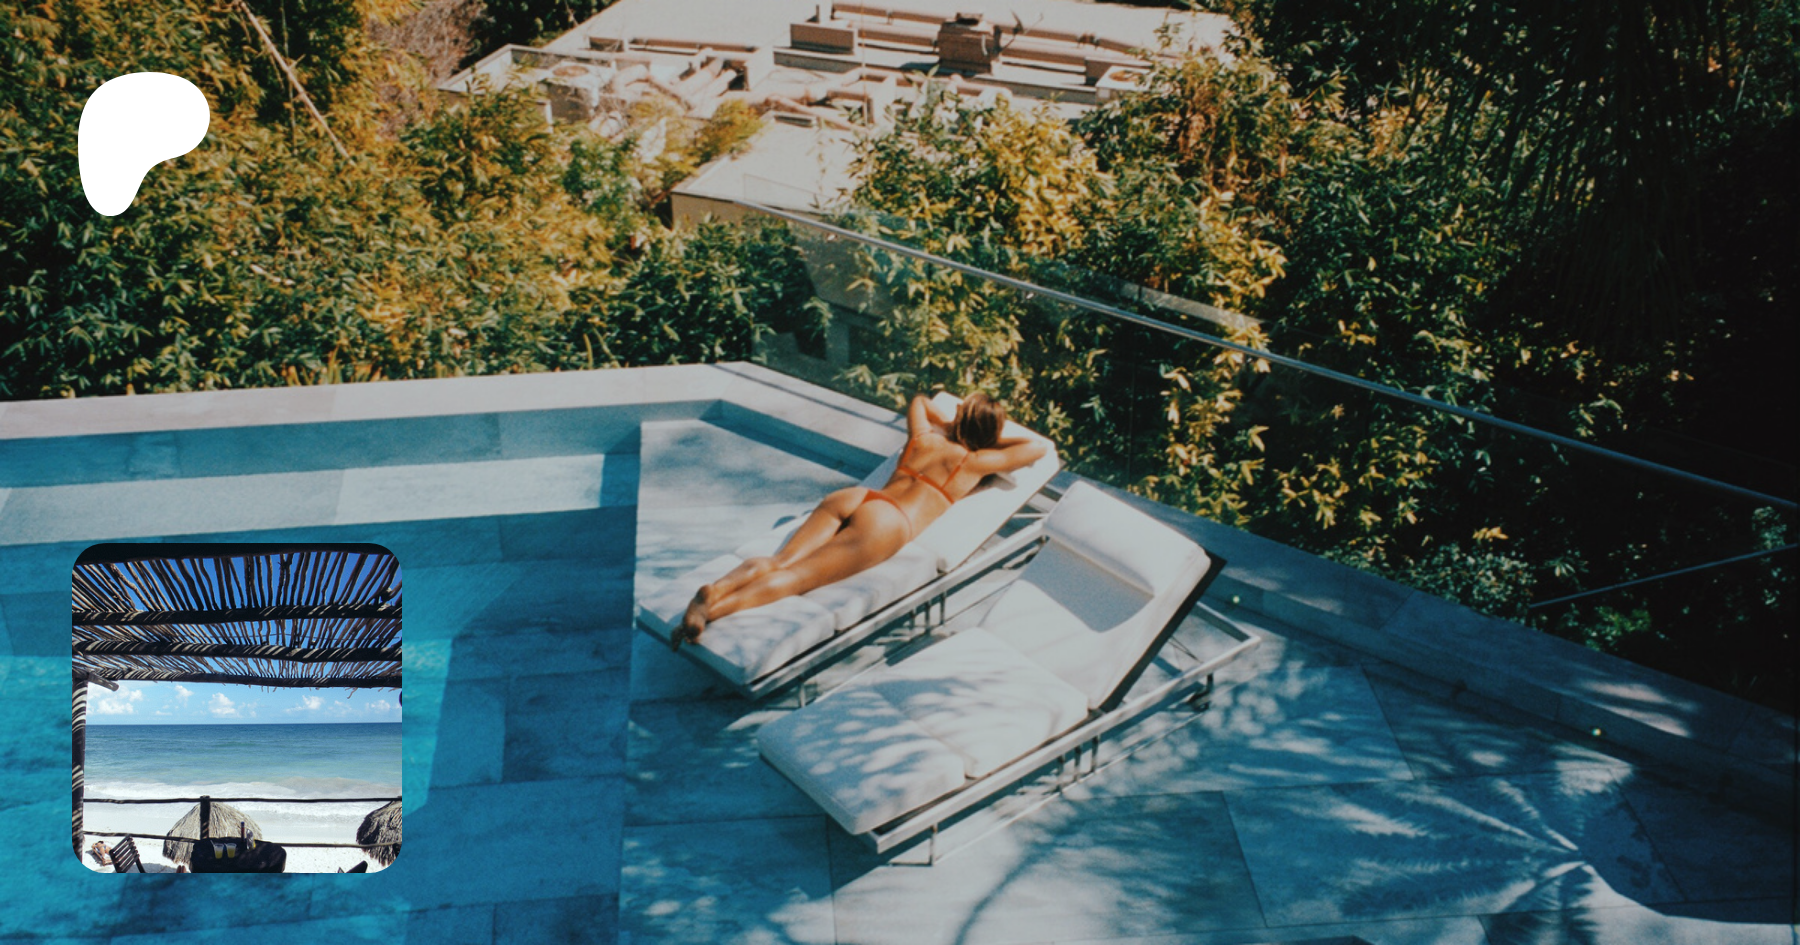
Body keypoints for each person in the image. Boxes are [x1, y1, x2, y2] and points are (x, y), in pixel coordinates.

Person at [678, 392, 1046, 645]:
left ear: (960, 417)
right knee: (797, 578)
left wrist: (950, 423)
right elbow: (1038, 448)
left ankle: (716, 589)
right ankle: (711, 613)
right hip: (888, 522)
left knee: (781, 561)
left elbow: (920, 401)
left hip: (858, 496)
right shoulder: (975, 462)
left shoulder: (923, 439)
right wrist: (986, 438)